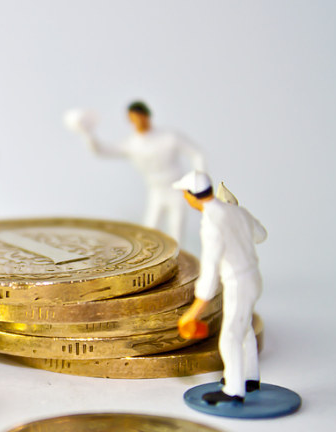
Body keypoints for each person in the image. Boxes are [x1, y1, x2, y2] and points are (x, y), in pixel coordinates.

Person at [175, 171, 267, 404]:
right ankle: (250, 377)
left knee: (230, 337)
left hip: (238, 282)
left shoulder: (211, 224)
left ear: (192, 195)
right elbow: (261, 235)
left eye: (185, 193)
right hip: (254, 278)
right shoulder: (237, 212)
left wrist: (194, 310)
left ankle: (234, 391)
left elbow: (210, 270)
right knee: (244, 327)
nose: (184, 198)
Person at [66, 101, 205, 243]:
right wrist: (87, 133)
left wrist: (199, 182)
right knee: (150, 230)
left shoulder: (169, 137)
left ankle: (179, 256)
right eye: (133, 118)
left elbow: (196, 153)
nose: (137, 121)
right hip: (156, 191)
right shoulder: (132, 144)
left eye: (139, 117)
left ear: (147, 116)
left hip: (176, 190)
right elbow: (101, 151)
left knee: (177, 229)